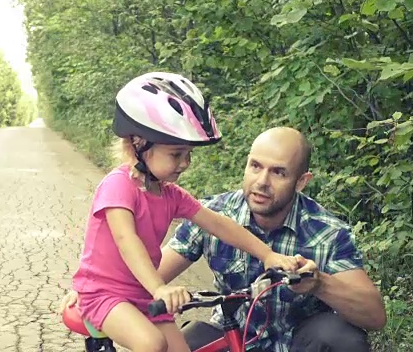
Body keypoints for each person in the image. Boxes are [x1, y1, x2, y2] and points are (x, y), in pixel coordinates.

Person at [65, 126, 387, 352]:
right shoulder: (126, 188)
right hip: (231, 334)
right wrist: (93, 289)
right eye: (255, 166)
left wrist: (313, 280)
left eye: (278, 172)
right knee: (161, 344)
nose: (261, 182)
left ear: (301, 182)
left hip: (296, 343)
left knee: (339, 338)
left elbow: (374, 315)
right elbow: (136, 251)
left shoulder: (326, 230)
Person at [69, 72, 312, 352]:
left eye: (188, 155)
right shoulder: (118, 186)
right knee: (151, 344)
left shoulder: (170, 194)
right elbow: (127, 242)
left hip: (141, 291)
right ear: (139, 143)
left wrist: (268, 255)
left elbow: (220, 225)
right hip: (104, 292)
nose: (185, 163)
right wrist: (160, 288)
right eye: (176, 154)